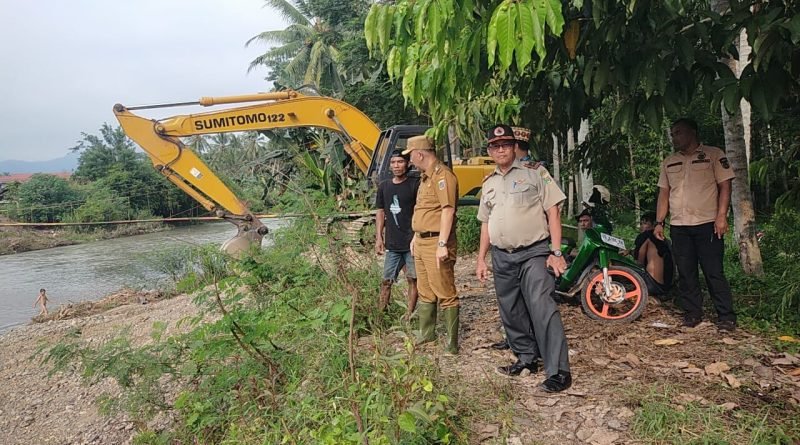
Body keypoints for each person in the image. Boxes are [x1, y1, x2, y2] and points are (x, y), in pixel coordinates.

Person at [475, 124, 572, 392]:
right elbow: (486, 222)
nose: (501, 149)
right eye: (495, 146)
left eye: (505, 144)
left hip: (534, 252)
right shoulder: (489, 183)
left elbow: (553, 212)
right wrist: (481, 259)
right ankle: (527, 357)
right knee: (511, 309)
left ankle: (559, 371)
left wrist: (556, 252)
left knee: (542, 307)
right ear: (489, 150)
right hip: (502, 256)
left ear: (514, 147)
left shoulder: (535, 173)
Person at [655, 118, 736, 331]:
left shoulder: (713, 155)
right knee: (686, 271)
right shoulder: (669, 161)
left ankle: (726, 316)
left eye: (679, 132)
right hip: (680, 225)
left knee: (713, 271)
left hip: (708, 223)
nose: (675, 137)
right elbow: (664, 194)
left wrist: (722, 216)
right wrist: (659, 222)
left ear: (693, 132)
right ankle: (692, 313)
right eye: (673, 134)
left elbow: (725, 186)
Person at [403, 135, 460, 354]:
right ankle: (427, 334)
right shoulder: (425, 178)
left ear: (419, 153)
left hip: (437, 241)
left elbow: (448, 210)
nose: (410, 161)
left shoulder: (442, 176)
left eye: (411, 157)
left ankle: (452, 344)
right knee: (425, 290)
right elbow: (424, 211)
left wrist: (443, 243)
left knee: (445, 291)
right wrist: (415, 237)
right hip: (422, 241)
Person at [375, 149, 420, 319]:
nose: (396, 165)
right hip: (392, 244)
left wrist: (417, 236)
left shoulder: (414, 185)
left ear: (408, 164)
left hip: (411, 243)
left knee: (412, 279)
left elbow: (419, 211)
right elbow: (380, 212)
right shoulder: (385, 186)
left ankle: (409, 314)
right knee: (386, 281)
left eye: (400, 162)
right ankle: (381, 315)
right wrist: (379, 237)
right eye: (393, 162)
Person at [633, 212, 674, 297]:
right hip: (666, 286)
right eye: (641, 223)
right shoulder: (666, 241)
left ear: (654, 225)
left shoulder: (646, 236)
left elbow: (639, 263)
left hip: (652, 284)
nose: (641, 226)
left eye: (644, 223)